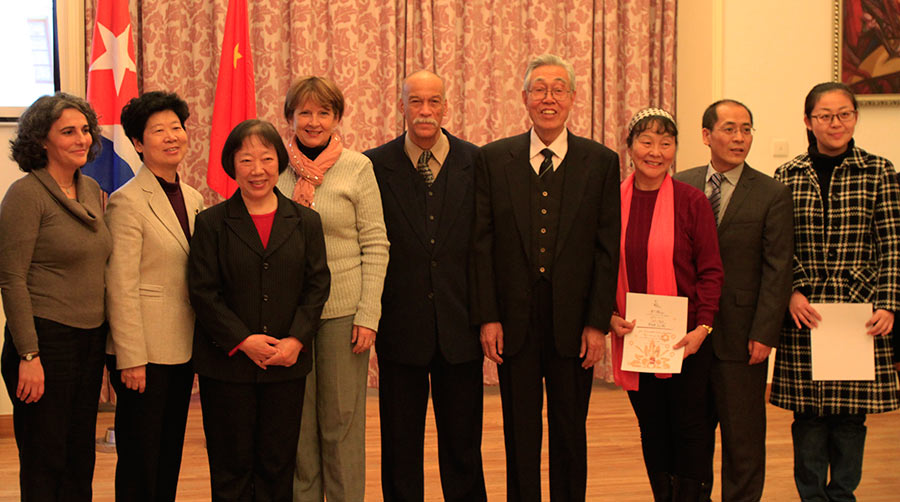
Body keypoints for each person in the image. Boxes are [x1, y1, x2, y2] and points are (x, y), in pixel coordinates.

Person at [470, 54, 620, 501]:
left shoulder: (601, 161)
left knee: (570, 431)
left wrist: (596, 322)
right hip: (513, 321)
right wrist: (488, 316)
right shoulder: (494, 158)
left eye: (558, 89)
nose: (548, 98)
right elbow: (481, 244)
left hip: (574, 324)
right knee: (519, 432)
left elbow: (606, 250)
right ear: (525, 98)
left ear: (572, 97)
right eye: (539, 89)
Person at [770, 82, 900, 501]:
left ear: (855, 118)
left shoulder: (879, 171)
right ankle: (811, 496)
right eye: (825, 116)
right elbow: (778, 245)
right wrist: (792, 291)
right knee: (808, 418)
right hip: (805, 312)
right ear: (808, 122)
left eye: (844, 114)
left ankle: (843, 495)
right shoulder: (787, 175)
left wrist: (888, 304)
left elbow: (893, 243)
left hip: (859, 314)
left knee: (849, 420)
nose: (835, 123)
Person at [188, 119, 330, 501]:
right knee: (230, 468)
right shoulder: (211, 223)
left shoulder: (306, 221)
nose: (257, 170)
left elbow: (317, 286)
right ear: (232, 165)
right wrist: (243, 340)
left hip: (286, 364)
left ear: (279, 162)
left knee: (277, 465)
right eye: (246, 160)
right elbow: (203, 291)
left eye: (266, 159)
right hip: (227, 366)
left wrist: (296, 340)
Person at [363, 70, 487, 502]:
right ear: (402, 106)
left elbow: (486, 247)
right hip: (400, 330)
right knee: (400, 449)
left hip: (461, 328)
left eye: (434, 101)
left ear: (446, 106)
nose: (425, 111)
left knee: (464, 447)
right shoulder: (373, 165)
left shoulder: (477, 163)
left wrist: (488, 316)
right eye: (415, 101)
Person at [276, 76, 389, 502]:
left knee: (341, 423)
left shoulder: (358, 168)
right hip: (289, 317)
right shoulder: (274, 168)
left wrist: (368, 315)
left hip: (344, 314)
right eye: (304, 112)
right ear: (290, 118)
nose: (313, 121)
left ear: (337, 117)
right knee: (299, 425)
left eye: (323, 112)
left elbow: (376, 244)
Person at [673, 99, 793, 502]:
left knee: (743, 439)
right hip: (687, 334)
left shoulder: (772, 193)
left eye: (746, 129)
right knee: (691, 434)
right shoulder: (681, 184)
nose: (739, 137)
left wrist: (765, 333)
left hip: (742, 336)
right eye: (729, 128)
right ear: (706, 135)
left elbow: (778, 268)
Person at [0, 93, 112, 501]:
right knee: (45, 461)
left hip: (89, 340)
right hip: (44, 343)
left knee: (80, 458)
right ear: (41, 140)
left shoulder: (91, 189)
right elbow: (11, 278)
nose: (81, 139)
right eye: (68, 132)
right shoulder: (25, 194)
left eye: (85, 129)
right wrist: (29, 355)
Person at [610, 108, 723, 501]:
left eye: (665, 143)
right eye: (646, 141)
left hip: (687, 342)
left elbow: (711, 271)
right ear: (629, 147)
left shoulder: (692, 202)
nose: (655, 152)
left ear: (675, 149)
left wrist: (702, 328)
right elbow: (598, 267)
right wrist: (609, 315)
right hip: (635, 341)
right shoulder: (610, 202)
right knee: (653, 429)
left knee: (691, 430)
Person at [104, 91, 205, 501]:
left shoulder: (193, 197)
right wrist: (131, 358)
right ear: (138, 143)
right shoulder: (126, 201)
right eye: (158, 130)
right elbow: (121, 285)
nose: (171, 137)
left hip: (182, 347)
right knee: (139, 459)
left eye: (176, 128)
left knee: (168, 453)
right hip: (142, 354)